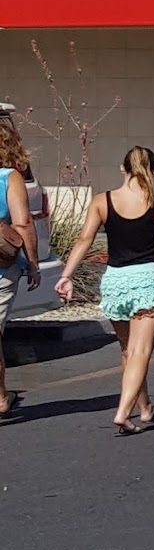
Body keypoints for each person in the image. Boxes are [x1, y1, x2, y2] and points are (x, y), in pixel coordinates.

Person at [55, 146, 154, 435]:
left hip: (116, 281)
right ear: (153, 171)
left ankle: (144, 408)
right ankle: (123, 412)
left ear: (123, 168)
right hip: (147, 280)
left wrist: (66, 275)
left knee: (128, 350)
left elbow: (84, 240)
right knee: (140, 351)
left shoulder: (102, 201)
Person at [0, 114, 41, 420]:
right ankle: (1, 397)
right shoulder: (9, 177)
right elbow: (23, 223)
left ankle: (2, 395)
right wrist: (33, 264)